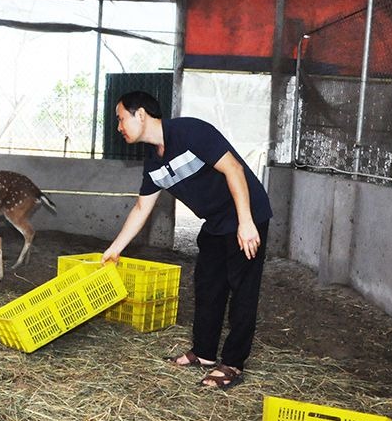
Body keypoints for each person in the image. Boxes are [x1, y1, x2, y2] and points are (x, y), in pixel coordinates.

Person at [101, 91, 272, 390]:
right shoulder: (153, 164)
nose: (119, 127)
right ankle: (205, 353)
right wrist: (114, 249)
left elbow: (233, 168)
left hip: (247, 212)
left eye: (120, 119)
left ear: (140, 114)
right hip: (216, 221)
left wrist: (245, 222)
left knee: (243, 289)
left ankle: (232, 363)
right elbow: (142, 207)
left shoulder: (191, 131)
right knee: (207, 284)